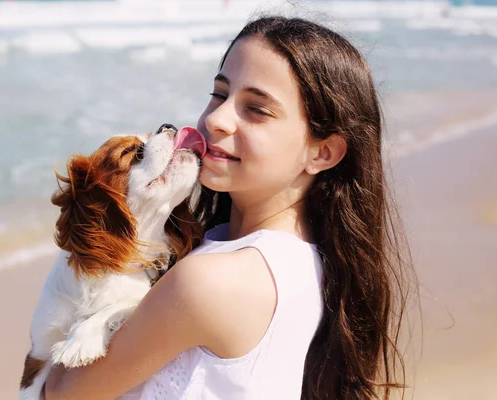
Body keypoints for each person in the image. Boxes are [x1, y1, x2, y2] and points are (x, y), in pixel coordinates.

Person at [44, 16, 414, 400]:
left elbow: (58, 392)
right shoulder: (309, 264)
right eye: (219, 95)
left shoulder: (208, 281)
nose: (217, 120)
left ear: (322, 152)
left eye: (256, 109)